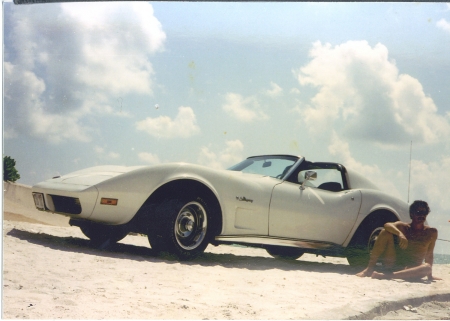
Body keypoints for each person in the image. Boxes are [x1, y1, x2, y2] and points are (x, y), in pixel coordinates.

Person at [356, 200, 441, 281]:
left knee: (427, 267)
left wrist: (430, 276)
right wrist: (400, 234)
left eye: (424, 213)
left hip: (412, 270)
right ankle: (369, 269)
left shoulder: (431, 232)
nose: (421, 216)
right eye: (418, 213)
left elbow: (429, 254)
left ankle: (387, 276)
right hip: (393, 265)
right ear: (412, 214)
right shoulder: (403, 227)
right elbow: (387, 225)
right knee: (385, 232)